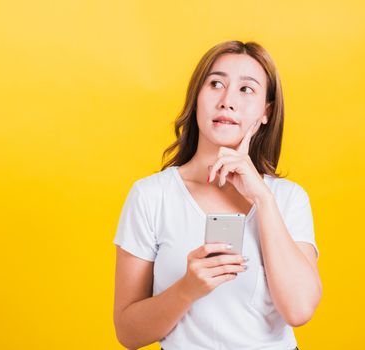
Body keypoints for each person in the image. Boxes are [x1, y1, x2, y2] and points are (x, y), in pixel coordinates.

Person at [113, 40, 322, 350]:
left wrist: (263, 199)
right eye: (215, 84)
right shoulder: (151, 196)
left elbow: (300, 310)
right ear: (197, 99)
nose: (227, 101)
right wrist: (187, 288)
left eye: (246, 89)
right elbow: (128, 333)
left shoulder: (287, 199)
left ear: (266, 111)